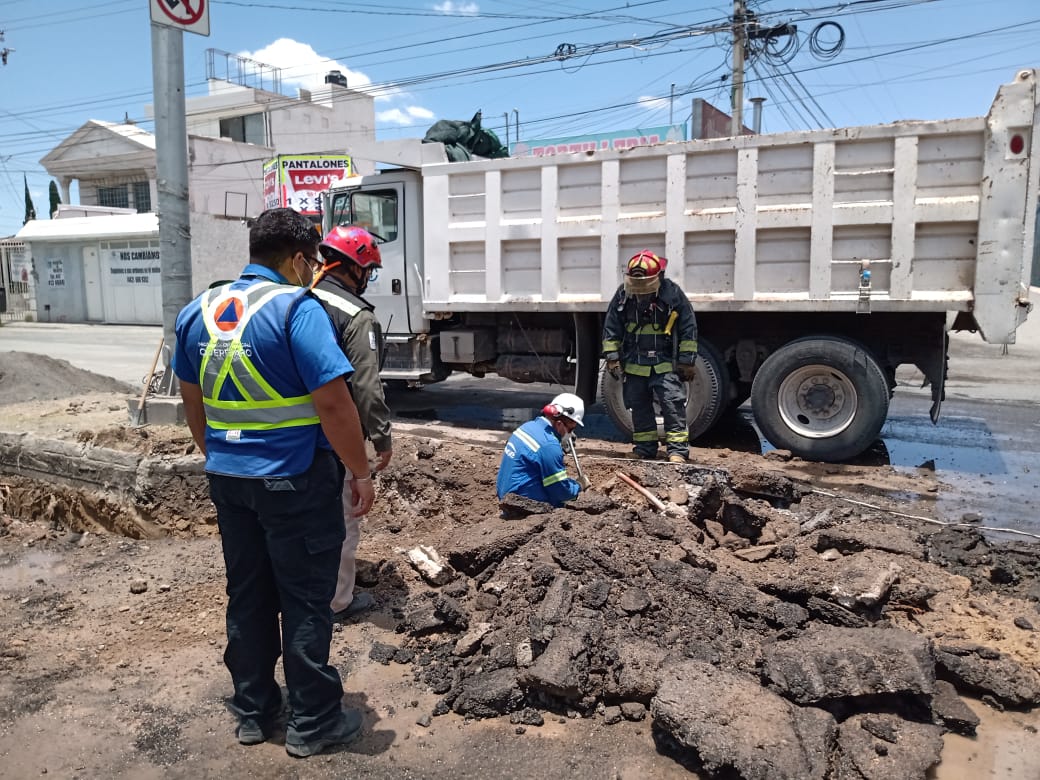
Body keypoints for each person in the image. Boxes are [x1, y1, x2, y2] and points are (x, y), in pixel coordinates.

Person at [173, 208, 375, 759]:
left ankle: (254, 710)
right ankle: (313, 722)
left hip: (229, 480)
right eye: (311, 261)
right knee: (306, 599)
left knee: (249, 594)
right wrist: (359, 471)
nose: (312, 271)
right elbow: (334, 403)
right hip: (296, 481)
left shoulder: (199, 310)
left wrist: (222, 456)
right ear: (296, 259)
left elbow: (194, 406)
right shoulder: (296, 309)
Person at [311, 225, 390, 622]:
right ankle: (337, 602)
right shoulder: (355, 316)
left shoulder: (299, 301)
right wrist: (381, 437)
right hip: (337, 435)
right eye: (368, 270)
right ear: (356, 268)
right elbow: (366, 387)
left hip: (292, 434)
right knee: (345, 522)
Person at [601, 250, 698, 463]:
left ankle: (677, 451)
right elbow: (611, 327)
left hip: (664, 363)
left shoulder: (672, 294)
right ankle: (645, 448)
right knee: (639, 406)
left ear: (657, 277)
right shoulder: (623, 294)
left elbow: (688, 327)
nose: (640, 289)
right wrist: (612, 357)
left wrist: (687, 361)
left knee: (672, 405)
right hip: (635, 363)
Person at [496, 392, 589, 516]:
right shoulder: (549, 446)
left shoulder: (527, 427)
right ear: (560, 424)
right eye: (571, 429)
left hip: (506, 495)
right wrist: (578, 486)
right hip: (523, 505)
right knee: (561, 507)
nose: (571, 434)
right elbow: (560, 492)